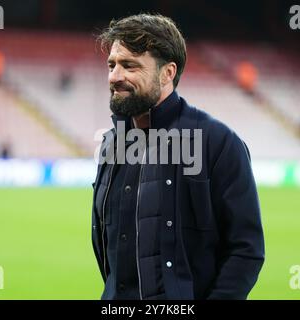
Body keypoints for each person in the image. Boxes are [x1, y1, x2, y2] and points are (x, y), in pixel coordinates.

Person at [91, 13, 264, 300]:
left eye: (130, 65)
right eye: (112, 65)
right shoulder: (111, 145)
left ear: (167, 73)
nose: (115, 76)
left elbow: (247, 250)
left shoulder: (218, 143)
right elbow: (107, 248)